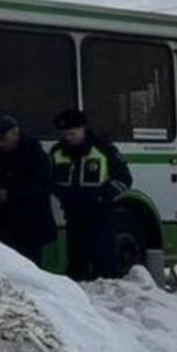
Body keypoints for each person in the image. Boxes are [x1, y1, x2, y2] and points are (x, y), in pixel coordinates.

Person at [49, 108, 133, 281]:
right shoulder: (57, 152)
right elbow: (51, 180)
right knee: (76, 264)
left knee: (104, 266)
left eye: (72, 133)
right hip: (73, 216)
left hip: (101, 215)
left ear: (82, 129)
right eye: (65, 134)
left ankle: (108, 302)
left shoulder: (103, 149)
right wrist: (63, 195)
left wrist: (102, 196)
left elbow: (124, 179)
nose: (68, 138)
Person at [0, 114, 56, 264]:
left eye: (3, 139)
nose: (0, 144)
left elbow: (42, 189)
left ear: (15, 133)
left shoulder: (35, 156)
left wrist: (11, 195)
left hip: (28, 225)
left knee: (28, 264)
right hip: (3, 223)